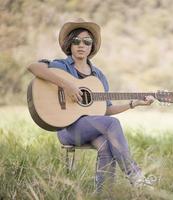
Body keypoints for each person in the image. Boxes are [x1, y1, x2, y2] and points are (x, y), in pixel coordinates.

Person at [27, 18, 155, 192]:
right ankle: (136, 176)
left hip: (91, 126)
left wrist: (133, 103)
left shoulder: (99, 76)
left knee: (106, 144)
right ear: (69, 44)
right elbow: (34, 67)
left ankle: (103, 194)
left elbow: (106, 110)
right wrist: (67, 84)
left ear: (91, 46)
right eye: (76, 41)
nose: (81, 45)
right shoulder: (61, 65)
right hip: (67, 128)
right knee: (113, 124)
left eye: (87, 41)